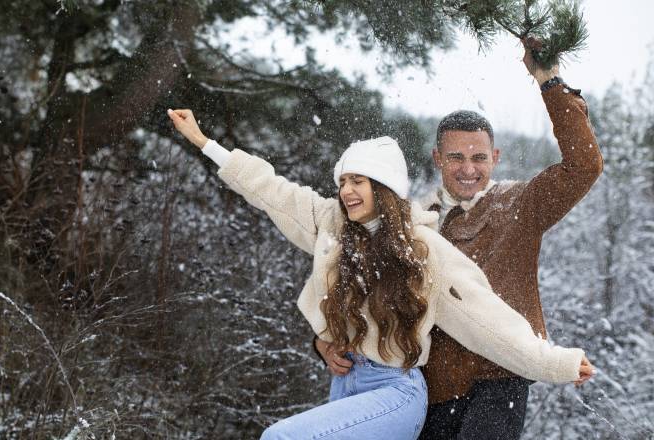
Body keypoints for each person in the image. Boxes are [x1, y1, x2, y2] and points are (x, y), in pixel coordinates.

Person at [167, 104, 594, 439]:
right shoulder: (334, 225)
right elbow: (270, 190)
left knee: (281, 437)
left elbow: (487, 319)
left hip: (399, 389)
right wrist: (204, 142)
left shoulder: (422, 247)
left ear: (383, 187)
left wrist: (557, 362)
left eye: (359, 181)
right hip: (349, 381)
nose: (347, 191)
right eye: (343, 181)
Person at [314, 40, 604, 439]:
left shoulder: (521, 205)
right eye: (456, 158)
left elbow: (584, 165)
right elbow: (362, 287)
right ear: (437, 158)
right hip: (431, 385)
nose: (469, 169)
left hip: (500, 375)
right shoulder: (411, 222)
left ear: (495, 157)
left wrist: (549, 82)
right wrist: (324, 341)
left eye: (479, 158)